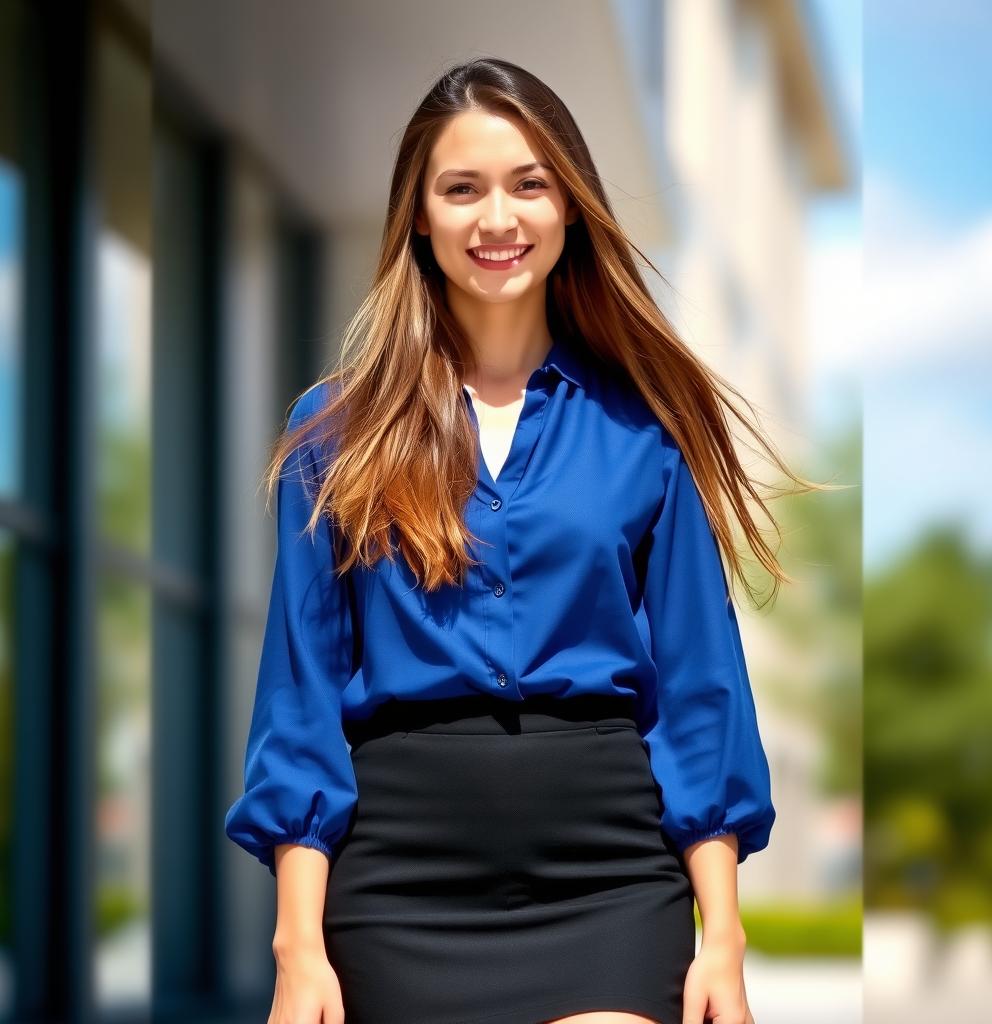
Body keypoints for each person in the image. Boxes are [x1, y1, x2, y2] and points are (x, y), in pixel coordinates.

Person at [225, 56, 821, 1024]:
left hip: (611, 880)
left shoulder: (645, 428)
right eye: (461, 189)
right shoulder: (336, 430)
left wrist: (725, 937)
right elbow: (299, 698)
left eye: (528, 184)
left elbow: (700, 686)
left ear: (570, 206)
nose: (496, 219)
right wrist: (298, 947)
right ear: (417, 215)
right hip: (399, 890)